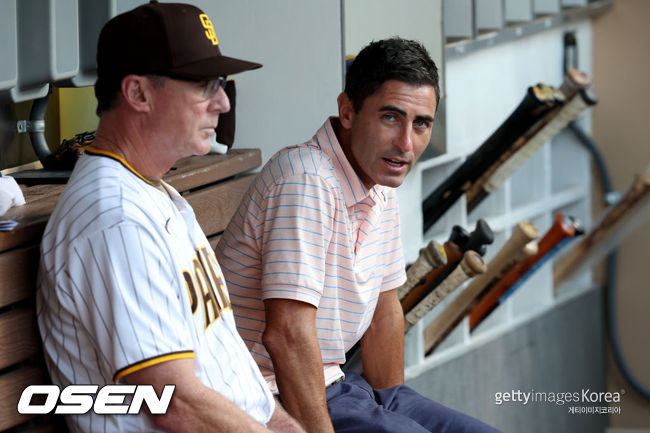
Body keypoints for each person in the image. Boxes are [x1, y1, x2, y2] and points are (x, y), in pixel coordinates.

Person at [36, 2, 304, 432]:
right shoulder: (115, 221)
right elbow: (174, 403)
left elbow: (225, 366)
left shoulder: (151, 191)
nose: (222, 102)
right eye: (203, 85)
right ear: (138, 93)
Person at [215, 38, 502, 433]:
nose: (406, 144)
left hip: (339, 386)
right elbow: (287, 335)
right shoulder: (307, 181)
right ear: (347, 111)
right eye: (390, 117)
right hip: (266, 396)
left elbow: (385, 311)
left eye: (421, 124)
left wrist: (394, 407)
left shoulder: (380, 183)